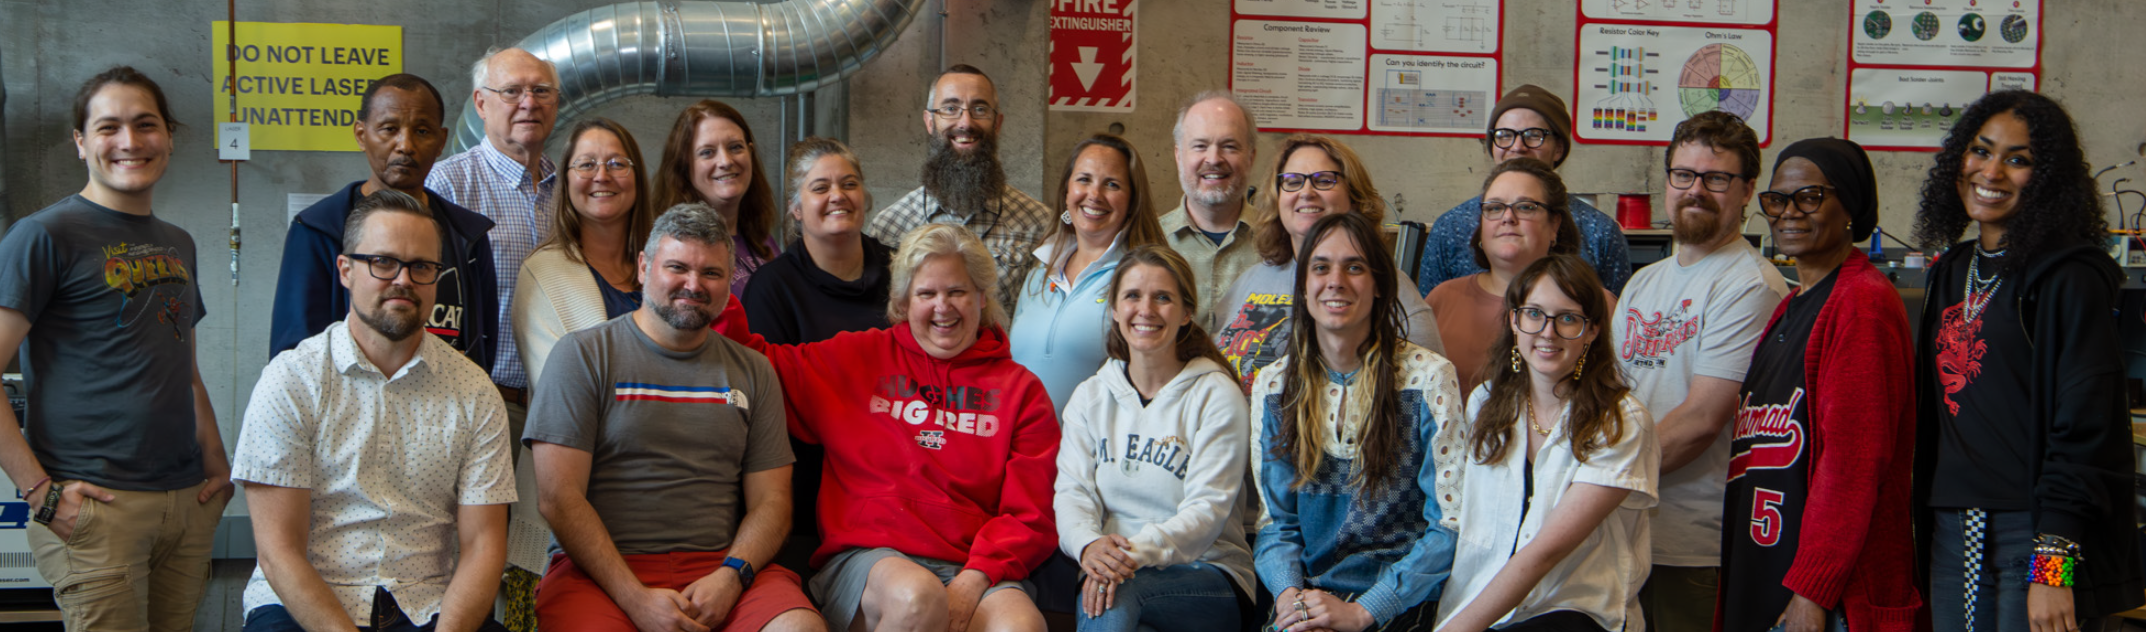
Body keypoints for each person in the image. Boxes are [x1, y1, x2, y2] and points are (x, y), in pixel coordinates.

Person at [719, 224, 1059, 632]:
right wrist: (711, 285)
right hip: (872, 559)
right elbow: (756, 362)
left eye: (957, 292)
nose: (943, 307)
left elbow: (1031, 513)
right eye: (926, 294)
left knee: (1021, 626)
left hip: (977, 566)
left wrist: (975, 578)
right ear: (902, 302)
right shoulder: (858, 358)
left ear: (982, 297)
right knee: (917, 598)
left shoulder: (1022, 391)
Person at [0, 66, 234, 631]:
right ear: (81, 142)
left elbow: (187, 367)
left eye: (145, 124)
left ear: (169, 137)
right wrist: (39, 492)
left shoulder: (178, 241)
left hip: (186, 501)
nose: (129, 141)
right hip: (97, 506)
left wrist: (218, 466)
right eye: (108, 127)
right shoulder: (43, 236)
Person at [1911, 90, 2145, 631]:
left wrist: (2052, 566)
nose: (1991, 171)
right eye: (1980, 151)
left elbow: (2087, 430)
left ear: (2047, 179)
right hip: (1950, 526)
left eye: (2018, 160)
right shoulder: (1952, 269)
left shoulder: (2070, 277)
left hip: (2033, 533)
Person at [527, 204, 824, 632]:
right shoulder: (583, 355)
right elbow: (558, 497)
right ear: (645, 267)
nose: (693, 284)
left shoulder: (754, 371)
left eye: (711, 273)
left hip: (720, 568)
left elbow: (773, 502)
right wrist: (635, 600)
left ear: (728, 284)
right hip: (600, 573)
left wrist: (731, 575)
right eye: (677, 267)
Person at [234, 190, 517, 632]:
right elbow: (279, 552)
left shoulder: (474, 392)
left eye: (421, 266)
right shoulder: (292, 380)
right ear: (345, 270)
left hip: (428, 605)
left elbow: (484, 546)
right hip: (306, 605)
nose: (402, 279)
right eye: (383, 262)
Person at [1716, 138, 1922, 632]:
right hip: (1766, 567)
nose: (1790, 212)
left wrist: (1813, 589)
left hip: (1826, 597)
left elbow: (1854, 463)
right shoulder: (1793, 304)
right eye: (1778, 200)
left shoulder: (1862, 303)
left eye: (1810, 197)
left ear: (1850, 205)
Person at [1612, 111, 1787, 632]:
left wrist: (1600, 480)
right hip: (1625, 528)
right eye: (1683, 175)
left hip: (1691, 545)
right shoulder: (1645, 282)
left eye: (1716, 179)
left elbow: (1702, 419)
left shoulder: (1750, 284)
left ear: (1747, 190)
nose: (1696, 190)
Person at [1253, 212, 1465, 632]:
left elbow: (1450, 525)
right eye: (1321, 267)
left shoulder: (1429, 378)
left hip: (1401, 599)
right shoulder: (1275, 385)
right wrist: (1290, 599)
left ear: (1379, 285)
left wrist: (1364, 610)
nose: (1336, 280)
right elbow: (1277, 524)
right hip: (1309, 595)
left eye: (1354, 267)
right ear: (1304, 287)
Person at [1434, 255, 1658, 632]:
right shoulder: (1484, 402)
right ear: (1513, 321)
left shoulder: (1621, 421)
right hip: (1479, 603)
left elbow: (1543, 553)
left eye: (1568, 318)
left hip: (1572, 612)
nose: (1548, 332)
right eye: (1534, 314)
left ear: (1592, 331)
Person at [1053, 245, 1254, 632]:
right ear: (1113, 309)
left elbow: (1207, 512)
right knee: (1120, 602)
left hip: (1209, 572)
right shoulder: (1091, 396)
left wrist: (1130, 558)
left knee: (1121, 595)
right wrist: (1088, 545)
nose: (1145, 309)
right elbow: (1073, 492)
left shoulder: (1215, 394)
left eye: (1163, 297)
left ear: (1186, 313)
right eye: (1132, 296)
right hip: (1112, 571)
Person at [271, 73, 498, 373]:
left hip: (442, 408)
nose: (405, 145)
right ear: (361, 134)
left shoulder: (468, 235)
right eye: (389, 129)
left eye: (422, 131)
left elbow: (482, 347)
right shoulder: (318, 229)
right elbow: (293, 356)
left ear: (441, 141)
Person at [1211, 134, 1444, 393]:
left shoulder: (1391, 287)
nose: (1306, 193)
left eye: (1324, 181)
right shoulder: (1251, 280)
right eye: (1293, 182)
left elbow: (1424, 391)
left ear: (1354, 198)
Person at [428, 47, 563, 432]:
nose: (529, 103)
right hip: (478, 404)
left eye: (541, 91)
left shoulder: (570, 188)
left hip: (560, 406)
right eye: (512, 91)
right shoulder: (447, 185)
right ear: (481, 103)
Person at [865, 65, 1054, 313]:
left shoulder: (1039, 224)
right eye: (951, 109)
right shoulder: (889, 228)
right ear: (929, 121)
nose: (965, 122)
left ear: (997, 123)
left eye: (979, 109)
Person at [1415, 85, 1632, 296]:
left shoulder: (1600, 232)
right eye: (1504, 134)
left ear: (1558, 148)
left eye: (1533, 134)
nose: (1517, 146)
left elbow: (1616, 324)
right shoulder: (1450, 227)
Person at [1010, 133, 1167, 413]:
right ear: (1066, 191)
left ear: (1132, 201)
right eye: (1084, 179)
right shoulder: (1039, 272)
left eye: (1112, 184)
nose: (1094, 195)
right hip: (1027, 451)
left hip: (1098, 453)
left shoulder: (1141, 277)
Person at [1426, 158, 1611, 394]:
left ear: (1555, 224)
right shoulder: (1442, 299)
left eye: (1525, 207)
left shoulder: (1598, 303)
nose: (1507, 217)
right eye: (1494, 207)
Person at [513, 118, 656, 389]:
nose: (602, 176)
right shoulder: (542, 273)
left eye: (617, 164)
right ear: (565, 181)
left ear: (637, 178)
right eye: (587, 165)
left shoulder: (668, 267)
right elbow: (559, 392)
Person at [742, 137, 892, 346]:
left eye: (849, 184)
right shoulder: (771, 288)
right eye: (821, 188)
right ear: (796, 208)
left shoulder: (901, 269)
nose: (837, 195)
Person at [653, 99, 782, 295]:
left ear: (750, 152)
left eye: (735, 147)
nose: (725, 161)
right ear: (685, 166)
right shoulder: (674, 249)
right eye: (707, 152)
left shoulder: (763, 241)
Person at [1161, 91, 1262, 312]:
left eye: (1229, 146)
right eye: (1200, 146)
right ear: (1179, 156)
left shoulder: (1279, 240)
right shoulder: (1149, 240)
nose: (1214, 159)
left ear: (1251, 157)